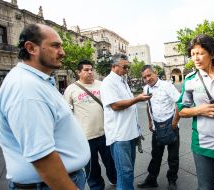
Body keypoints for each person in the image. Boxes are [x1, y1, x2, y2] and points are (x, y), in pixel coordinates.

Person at [0, 24, 90, 190]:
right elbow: (42, 157)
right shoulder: (26, 88)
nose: (62, 52)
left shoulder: (37, 81)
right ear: (31, 48)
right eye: (55, 45)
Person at [177, 34, 214, 190]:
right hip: (202, 142)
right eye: (193, 54)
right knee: (205, 187)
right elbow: (182, 110)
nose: (196, 58)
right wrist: (198, 110)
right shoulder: (190, 80)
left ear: (212, 54)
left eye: (200, 53)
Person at [100, 53, 151, 190]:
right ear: (113, 66)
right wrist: (137, 99)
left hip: (130, 133)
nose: (127, 70)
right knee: (125, 172)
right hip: (119, 136)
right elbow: (115, 105)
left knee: (128, 171)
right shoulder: (108, 82)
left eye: (128, 67)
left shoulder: (122, 81)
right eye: (125, 67)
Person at [64, 60, 117, 190]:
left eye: (91, 69)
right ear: (79, 72)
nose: (90, 72)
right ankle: (96, 187)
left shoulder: (101, 85)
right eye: (86, 70)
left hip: (106, 133)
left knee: (111, 162)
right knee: (92, 167)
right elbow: (67, 113)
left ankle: (115, 180)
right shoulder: (71, 89)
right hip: (85, 137)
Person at [137, 65, 180, 190]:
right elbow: (148, 106)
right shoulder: (146, 89)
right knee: (155, 155)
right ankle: (151, 179)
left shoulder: (167, 85)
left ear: (155, 73)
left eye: (149, 75)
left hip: (171, 126)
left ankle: (172, 180)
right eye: (144, 77)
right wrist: (150, 121)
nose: (147, 79)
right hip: (157, 127)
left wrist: (175, 122)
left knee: (173, 157)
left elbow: (179, 102)